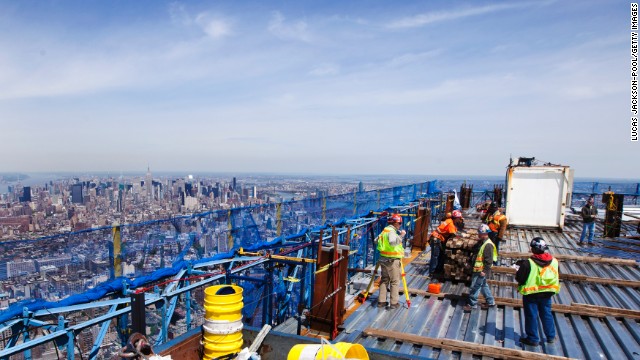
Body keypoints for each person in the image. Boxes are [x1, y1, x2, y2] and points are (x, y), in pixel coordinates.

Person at [516, 237, 560, 346]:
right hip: (547, 293)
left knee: (531, 315)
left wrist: (517, 270)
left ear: (533, 249)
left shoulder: (528, 263)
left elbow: (520, 278)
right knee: (546, 314)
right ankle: (550, 336)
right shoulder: (554, 261)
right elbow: (556, 275)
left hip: (531, 294)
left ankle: (533, 338)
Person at [375, 214, 406, 309]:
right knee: (394, 281)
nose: (400, 225)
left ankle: (381, 302)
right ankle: (394, 303)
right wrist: (401, 236)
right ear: (395, 223)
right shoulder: (392, 232)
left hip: (383, 259)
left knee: (384, 280)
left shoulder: (385, 231)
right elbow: (393, 242)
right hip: (392, 261)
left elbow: (376, 240)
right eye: (399, 223)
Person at [464, 224, 496, 312]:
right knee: (483, 285)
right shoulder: (483, 242)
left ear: (483, 233)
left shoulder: (488, 245)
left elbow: (489, 260)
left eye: (479, 233)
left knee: (474, 286)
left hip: (480, 270)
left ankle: (472, 304)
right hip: (479, 269)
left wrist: (484, 271)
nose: (478, 234)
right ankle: (490, 301)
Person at [428, 210, 463, 276]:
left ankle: (438, 269)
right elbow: (453, 234)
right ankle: (432, 272)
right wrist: (461, 237)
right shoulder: (451, 224)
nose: (459, 220)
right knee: (435, 256)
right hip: (436, 239)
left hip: (438, 239)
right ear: (456, 218)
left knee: (440, 255)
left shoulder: (449, 220)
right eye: (459, 219)